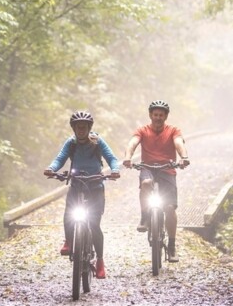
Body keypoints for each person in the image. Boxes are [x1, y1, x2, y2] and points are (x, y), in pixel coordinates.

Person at [43, 110, 121, 279]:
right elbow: (60, 158)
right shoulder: (71, 143)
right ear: (73, 128)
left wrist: (115, 170)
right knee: (69, 212)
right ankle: (69, 240)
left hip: (95, 186)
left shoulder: (97, 142)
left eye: (84, 127)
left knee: (94, 224)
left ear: (88, 127)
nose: (81, 130)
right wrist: (51, 169)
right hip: (77, 184)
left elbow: (112, 158)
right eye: (78, 127)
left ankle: (100, 261)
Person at [122, 100, 190, 262]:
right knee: (145, 184)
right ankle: (145, 216)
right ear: (150, 115)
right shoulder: (143, 130)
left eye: (161, 115)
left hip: (167, 168)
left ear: (166, 116)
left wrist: (184, 157)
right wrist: (128, 157)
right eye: (155, 115)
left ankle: (172, 247)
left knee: (169, 208)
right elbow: (132, 143)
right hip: (147, 167)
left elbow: (178, 143)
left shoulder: (173, 130)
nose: (158, 118)